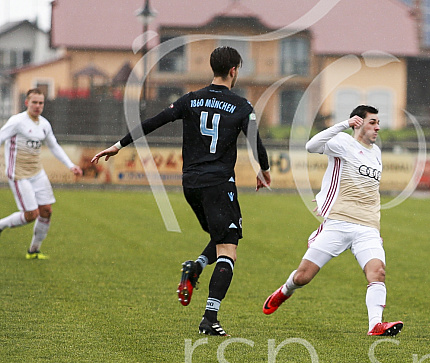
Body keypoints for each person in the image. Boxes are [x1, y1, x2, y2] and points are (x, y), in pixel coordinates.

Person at [92, 46, 271, 336]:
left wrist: (119, 145)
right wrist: (264, 170)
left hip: (191, 185)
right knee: (229, 250)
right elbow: (256, 143)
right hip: (218, 184)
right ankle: (209, 318)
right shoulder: (241, 106)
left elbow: (153, 122)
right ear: (234, 70)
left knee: (223, 235)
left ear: (212, 68)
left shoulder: (190, 99)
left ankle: (196, 267)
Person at [263, 105, 403, 336]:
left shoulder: (376, 152)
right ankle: (285, 290)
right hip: (338, 223)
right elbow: (311, 146)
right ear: (358, 122)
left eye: (378, 123)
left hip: (367, 227)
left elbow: (371, 193)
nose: (378, 127)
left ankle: (375, 325)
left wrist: (375, 226)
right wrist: (343, 125)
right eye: (372, 122)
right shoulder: (342, 142)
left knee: (377, 272)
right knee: (303, 277)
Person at [0, 88, 83, 259]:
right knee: (31, 215)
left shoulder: (44, 124)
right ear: (27, 103)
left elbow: (54, 146)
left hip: (37, 173)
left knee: (46, 211)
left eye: (41, 103)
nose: (38, 106)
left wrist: (70, 165)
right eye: (34, 102)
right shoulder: (17, 121)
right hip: (19, 174)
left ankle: (34, 251)